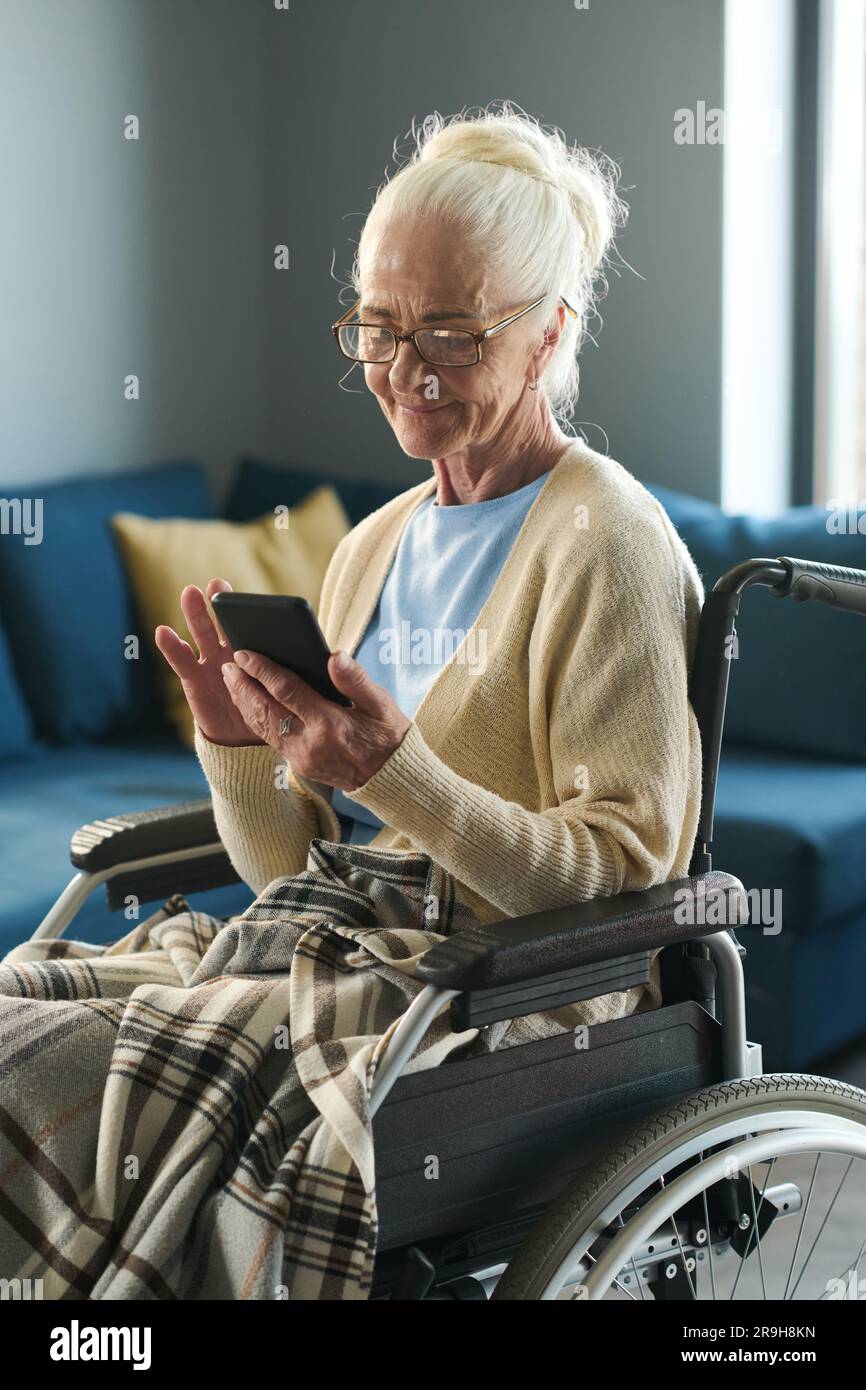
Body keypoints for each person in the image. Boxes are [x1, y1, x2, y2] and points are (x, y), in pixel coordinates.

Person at [155, 102, 704, 1028]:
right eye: (380, 327)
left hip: (487, 1007)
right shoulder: (372, 546)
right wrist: (240, 755)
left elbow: (623, 886)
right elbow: (299, 877)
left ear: (549, 335)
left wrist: (394, 771)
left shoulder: (607, 540)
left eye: (452, 334)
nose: (409, 372)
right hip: (326, 958)